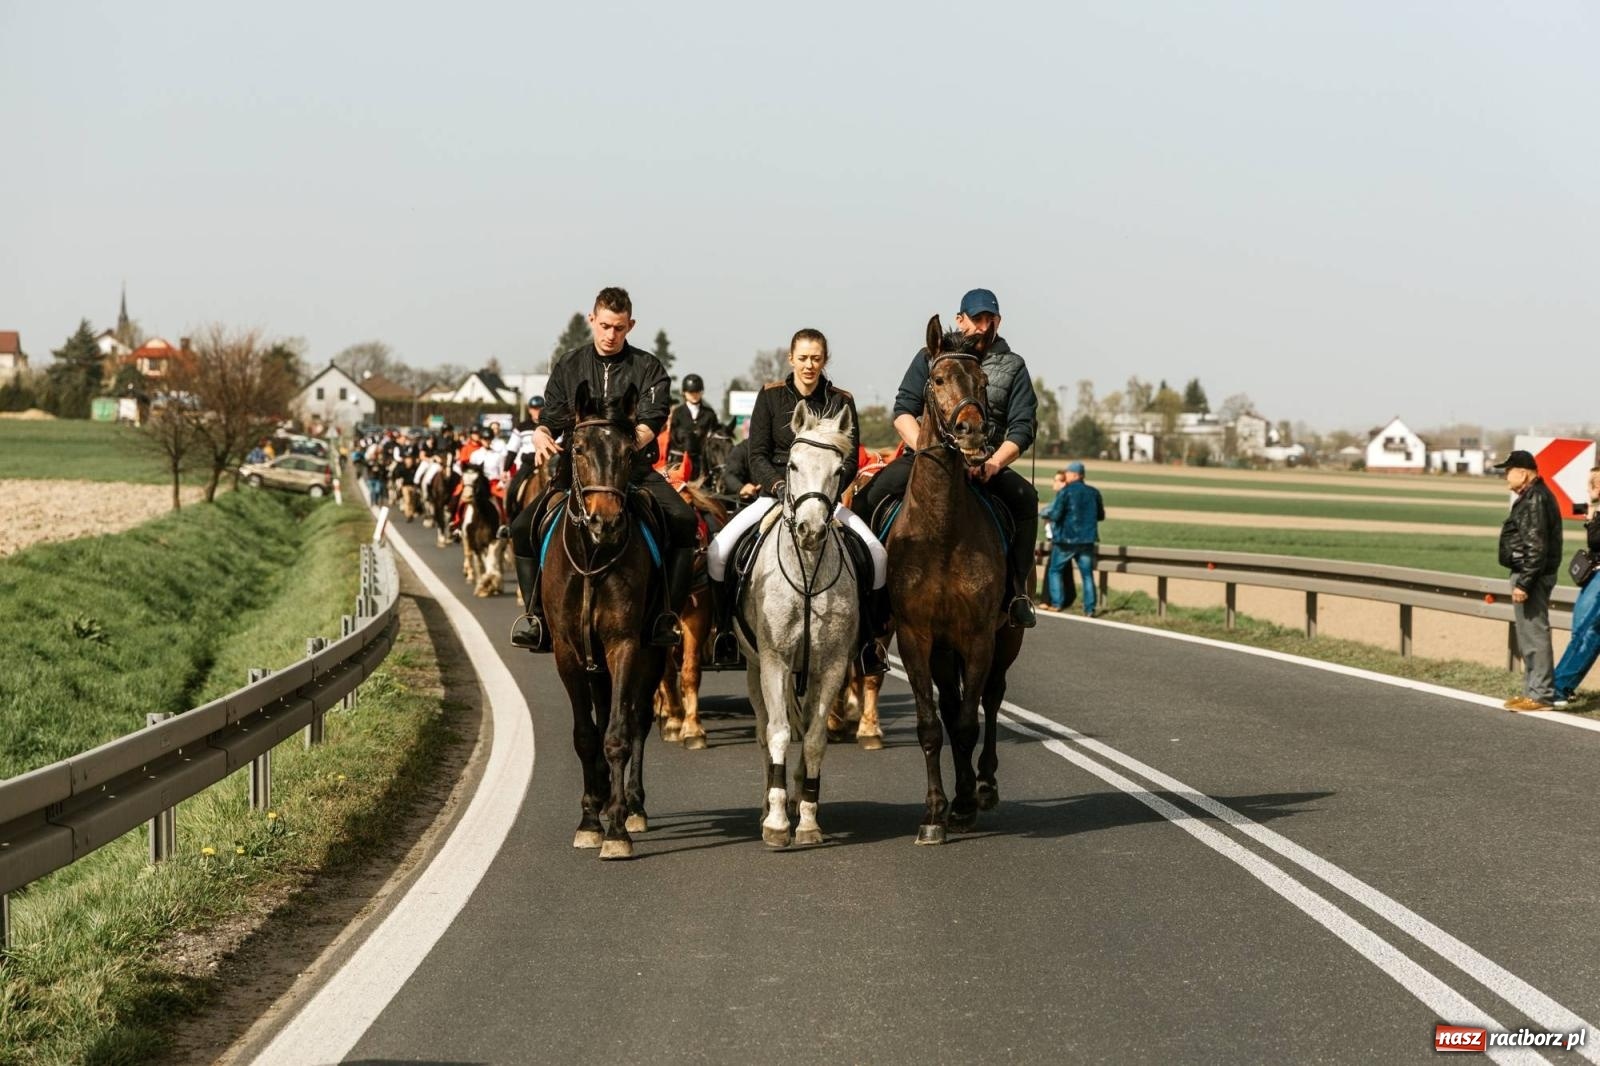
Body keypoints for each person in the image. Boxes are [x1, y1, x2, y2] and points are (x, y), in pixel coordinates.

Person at [509, 287, 697, 650]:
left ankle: (666, 617)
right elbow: (550, 416)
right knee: (520, 527)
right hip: (577, 473)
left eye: (620, 328)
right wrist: (540, 434)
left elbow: (652, 418)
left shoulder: (648, 367)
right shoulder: (569, 364)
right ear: (591, 320)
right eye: (606, 326)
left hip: (632, 470)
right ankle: (535, 618)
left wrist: (624, 446)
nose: (611, 335)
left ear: (631, 326)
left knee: (685, 521)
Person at [849, 287, 1040, 627]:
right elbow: (903, 410)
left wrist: (994, 463)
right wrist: (924, 453)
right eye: (976, 319)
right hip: (927, 458)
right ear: (959, 319)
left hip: (983, 461)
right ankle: (865, 596)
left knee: (1027, 499)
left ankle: (1016, 593)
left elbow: (1022, 427)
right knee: (868, 499)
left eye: (989, 319)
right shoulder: (930, 356)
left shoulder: (1012, 366)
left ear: (998, 321)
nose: (982, 326)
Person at [704, 328, 888, 673]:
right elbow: (757, 454)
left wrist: (827, 495)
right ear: (791, 359)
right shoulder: (770, 396)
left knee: (877, 555)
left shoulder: (841, 401)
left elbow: (850, 461)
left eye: (816, 358)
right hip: (773, 494)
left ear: (825, 360)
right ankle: (725, 632)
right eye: (803, 358)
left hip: (823, 499)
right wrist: (777, 486)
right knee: (718, 554)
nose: (809, 365)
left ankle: (869, 642)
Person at [1497, 449, 1563, 712]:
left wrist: (1524, 583)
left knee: (1534, 634)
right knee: (1528, 635)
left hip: (1532, 576)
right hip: (1531, 573)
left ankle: (1541, 695)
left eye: (1508, 471)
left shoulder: (1535, 499)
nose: (1505, 477)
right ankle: (1532, 692)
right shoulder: (1534, 496)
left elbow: (1536, 547)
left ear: (1523, 472)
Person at [1553, 467, 1600, 708]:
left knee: (1585, 632)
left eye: (1596, 483)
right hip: (1595, 575)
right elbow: (1571, 509)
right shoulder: (1595, 509)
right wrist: (1590, 506)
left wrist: (1593, 517)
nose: (1594, 487)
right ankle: (1563, 686)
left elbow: (1596, 540)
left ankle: (1558, 687)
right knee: (1587, 632)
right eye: (1593, 482)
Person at [1040, 461, 1105, 616]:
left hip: (1065, 540)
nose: (1066, 475)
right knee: (1087, 575)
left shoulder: (1066, 492)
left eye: (1068, 473)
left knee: (1054, 571)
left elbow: (1056, 514)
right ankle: (1089, 609)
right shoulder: (1094, 492)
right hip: (1087, 540)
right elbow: (1100, 516)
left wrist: (1045, 514)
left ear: (1076, 475)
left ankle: (1057, 603)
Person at [499, 396, 545, 538]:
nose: (537, 412)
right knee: (513, 489)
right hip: (528, 464)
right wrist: (506, 469)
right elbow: (512, 450)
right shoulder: (521, 427)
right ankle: (510, 524)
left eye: (540, 409)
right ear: (530, 410)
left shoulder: (551, 426)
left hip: (546, 464)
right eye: (534, 409)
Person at [669, 373, 721, 477]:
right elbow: (673, 435)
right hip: (680, 459)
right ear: (684, 392)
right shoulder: (678, 412)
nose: (694, 395)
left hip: (703, 461)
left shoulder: (709, 414)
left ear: (701, 392)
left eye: (697, 392)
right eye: (691, 392)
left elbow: (715, 435)